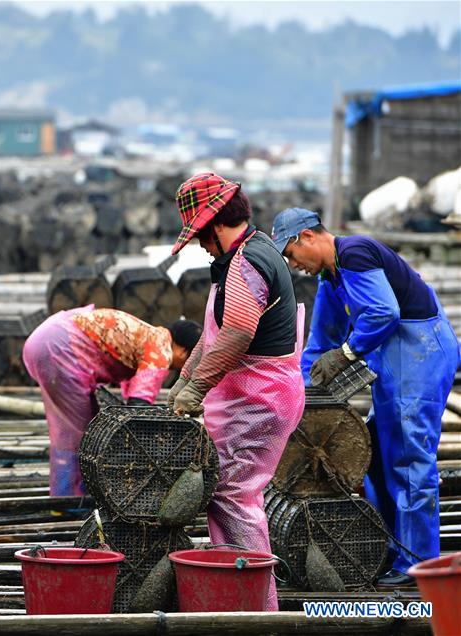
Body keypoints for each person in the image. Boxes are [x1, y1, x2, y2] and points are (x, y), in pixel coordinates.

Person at [270, 207, 460, 586]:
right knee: (376, 456)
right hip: (396, 365)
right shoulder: (331, 277)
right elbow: (321, 341)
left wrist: (347, 354)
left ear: (307, 237)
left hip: (421, 355)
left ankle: (419, 565)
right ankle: (393, 550)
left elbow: (383, 312)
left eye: (291, 254)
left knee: (409, 459)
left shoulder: (355, 252)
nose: (293, 265)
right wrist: (302, 392)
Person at [167, 172, 305, 612]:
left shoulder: (247, 263)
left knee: (233, 495)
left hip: (259, 399)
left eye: (200, 236)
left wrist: (195, 391)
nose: (200, 245)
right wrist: (182, 382)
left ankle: (256, 607)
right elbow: (212, 336)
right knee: (230, 493)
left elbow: (238, 333)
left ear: (214, 225)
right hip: (251, 395)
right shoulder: (245, 255)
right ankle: (237, 592)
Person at [23, 306, 202, 497]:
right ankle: (68, 502)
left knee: (85, 426)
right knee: (75, 433)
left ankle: (76, 494)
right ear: (184, 352)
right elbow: (137, 406)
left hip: (49, 336)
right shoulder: (161, 352)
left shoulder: (151, 336)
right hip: (60, 346)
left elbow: (130, 396)